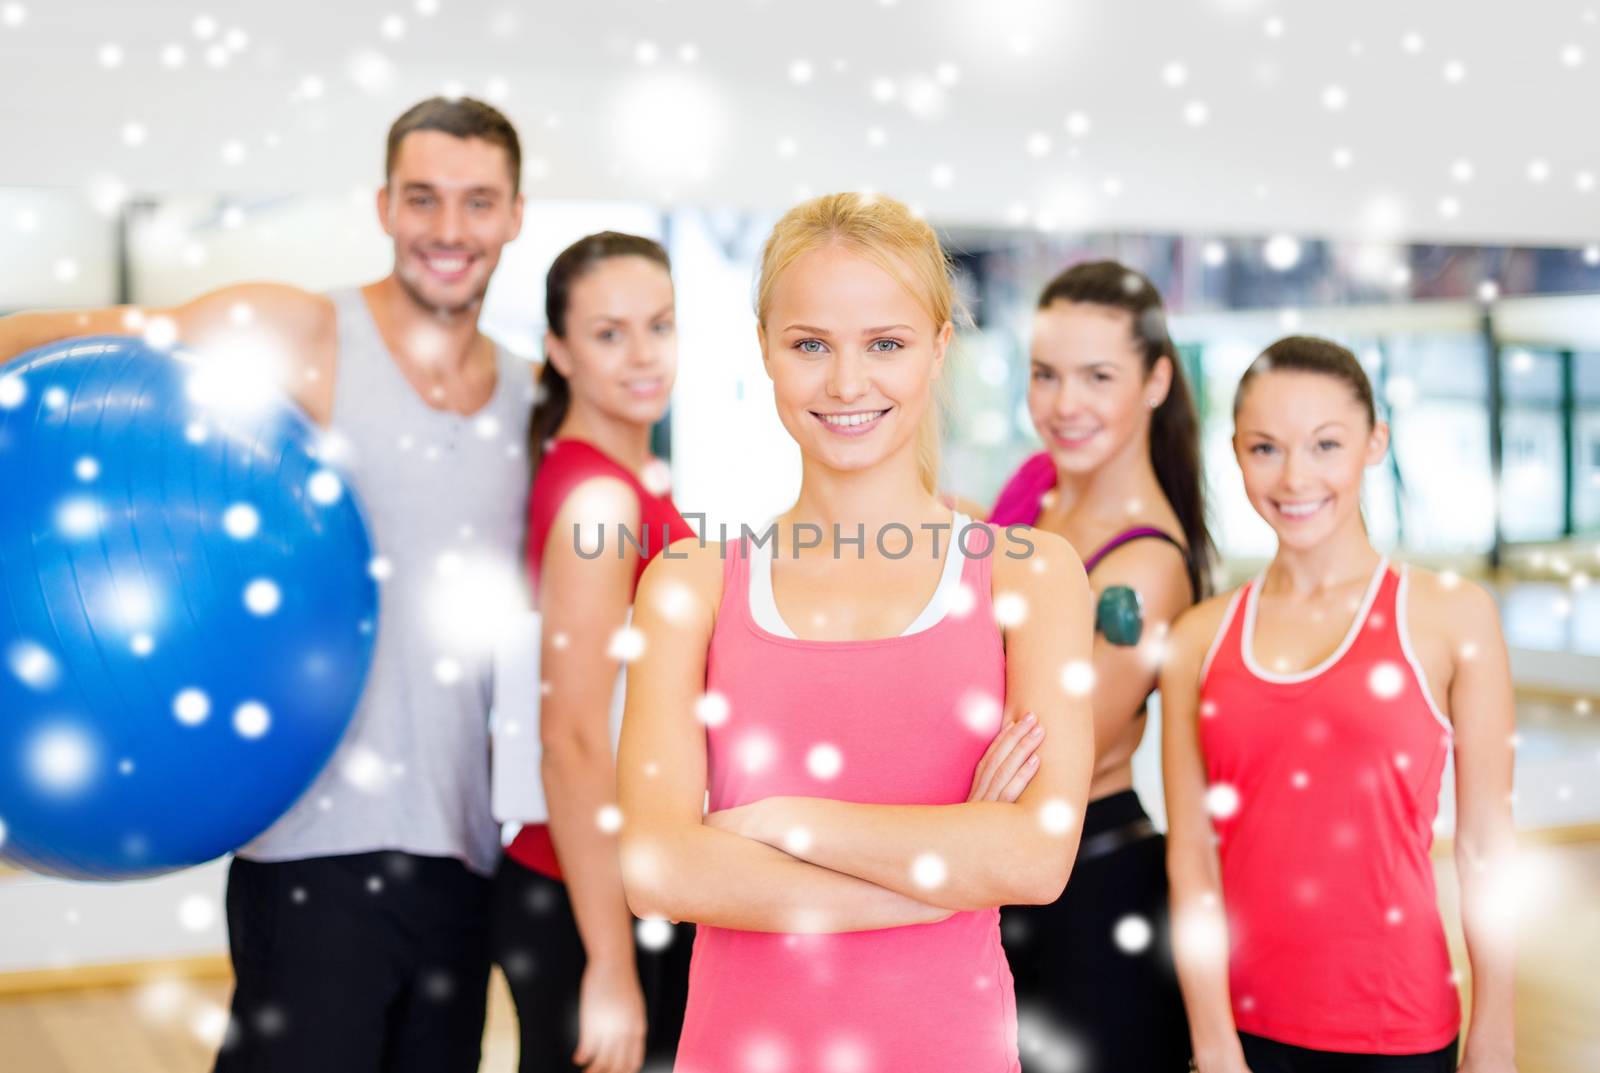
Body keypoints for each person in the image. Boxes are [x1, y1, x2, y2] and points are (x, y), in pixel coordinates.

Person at [1, 96, 533, 1073]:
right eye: (423, 198)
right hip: (310, 853)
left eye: (476, 202)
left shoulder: (532, 395)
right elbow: (45, 334)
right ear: (384, 206)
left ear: (514, 215)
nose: (449, 230)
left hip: (465, 854)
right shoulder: (303, 330)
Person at [615, 192, 1095, 1073]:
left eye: (886, 343)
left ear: (940, 347)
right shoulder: (688, 585)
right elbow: (658, 869)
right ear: (765, 348)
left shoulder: (1032, 574)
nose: (846, 384)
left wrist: (776, 822)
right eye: (809, 345)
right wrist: (936, 878)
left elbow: (1033, 859)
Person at [1162, 336, 1518, 1073]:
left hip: (1398, 1024)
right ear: (1236, 452)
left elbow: (1486, 844)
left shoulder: (1452, 616)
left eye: (1326, 444)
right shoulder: (1200, 637)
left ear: (1373, 443)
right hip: (1245, 1027)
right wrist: (1211, 1039)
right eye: (1266, 448)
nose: (1295, 476)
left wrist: (1495, 1035)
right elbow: (1192, 855)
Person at [983, 261, 1207, 1072]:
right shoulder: (1035, 492)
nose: (1063, 403)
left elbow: (1044, 759)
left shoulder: (1145, 566)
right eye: (1045, 374)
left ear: (1155, 380)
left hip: (1091, 890)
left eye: (1097, 376)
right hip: (1002, 877)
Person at [490, 232, 694, 1073]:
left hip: (617, 884)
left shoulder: (622, 480)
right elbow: (571, 738)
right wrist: (611, 961)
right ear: (559, 352)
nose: (644, 355)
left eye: (660, 325)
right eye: (610, 334)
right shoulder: (599, 499)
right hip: (590, 898)